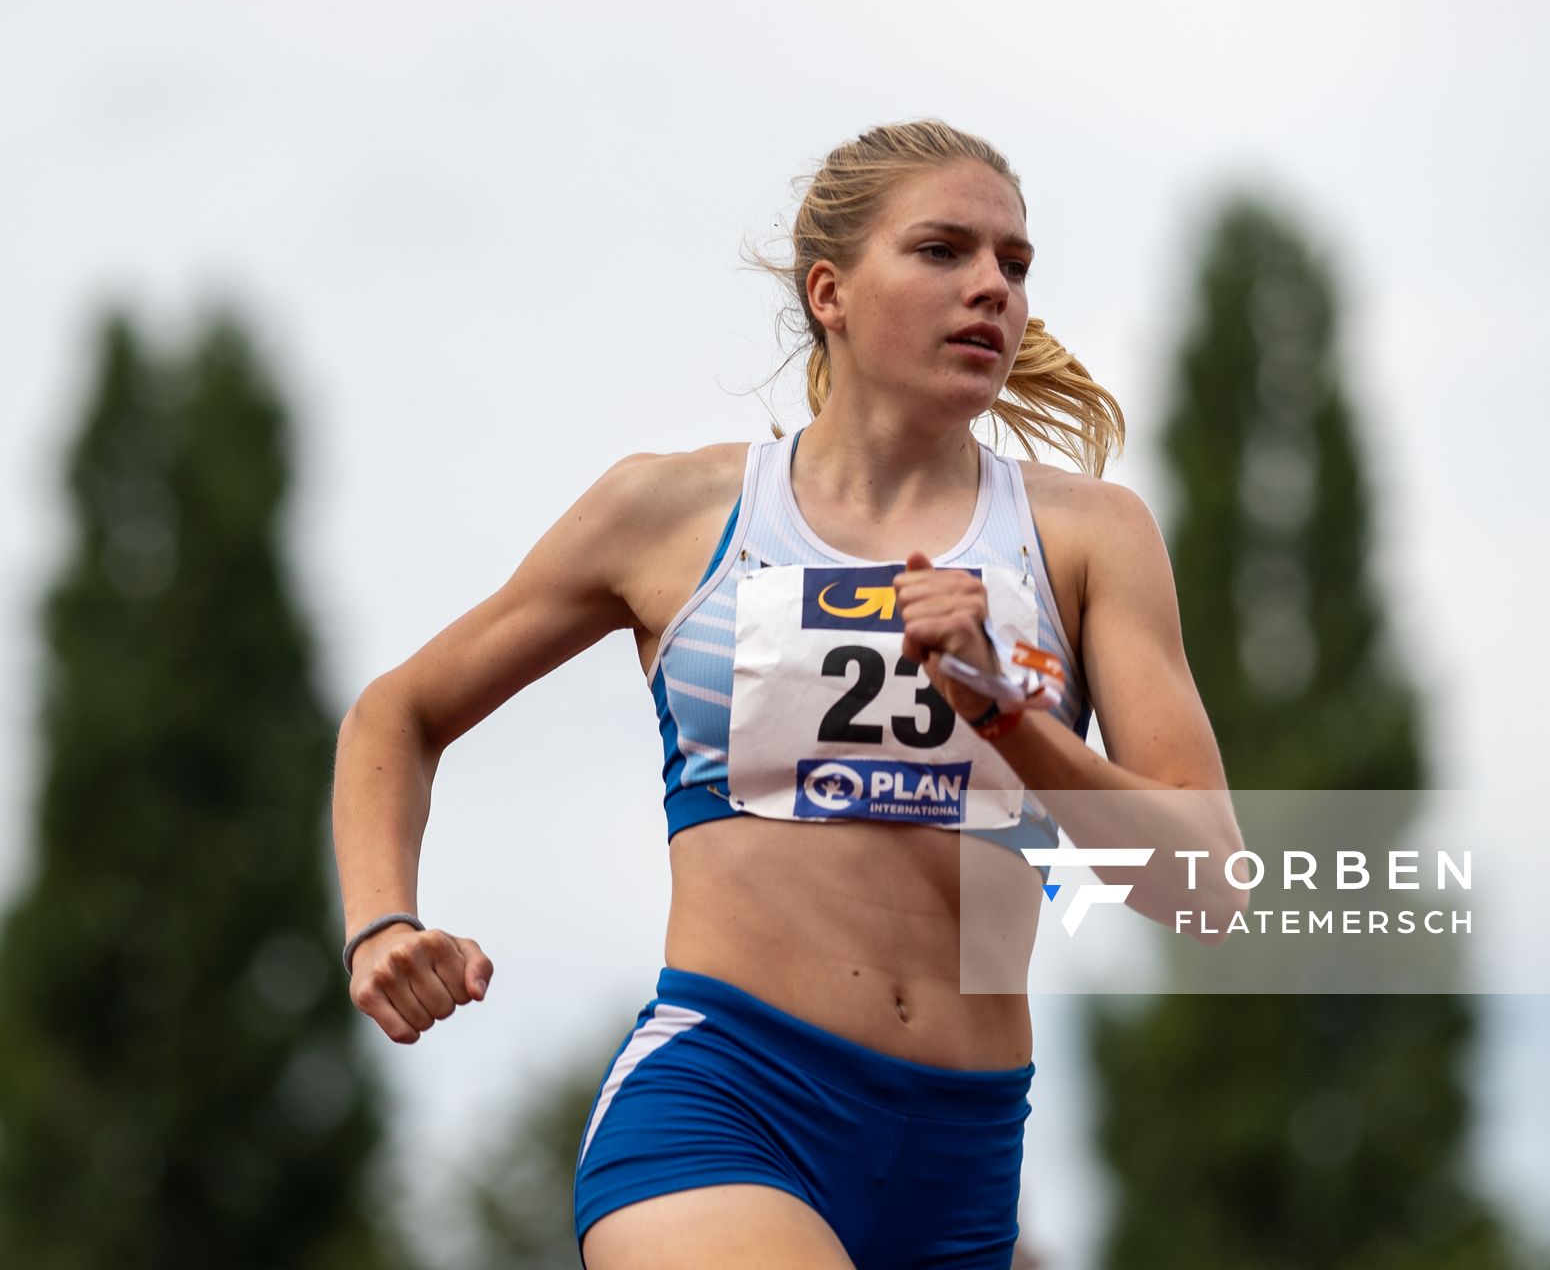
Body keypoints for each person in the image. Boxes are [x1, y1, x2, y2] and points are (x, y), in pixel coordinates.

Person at [331, 119, 1247, 1270]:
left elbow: (1208, 882)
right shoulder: (669, 513)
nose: (990, 289)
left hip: (961, 1151)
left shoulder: (1088, 537)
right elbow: (397, 712)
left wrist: (1005, 713)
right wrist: (382, 919)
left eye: (1013, 265)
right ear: (831, 292)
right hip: (727, 1096)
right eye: (942, 252)